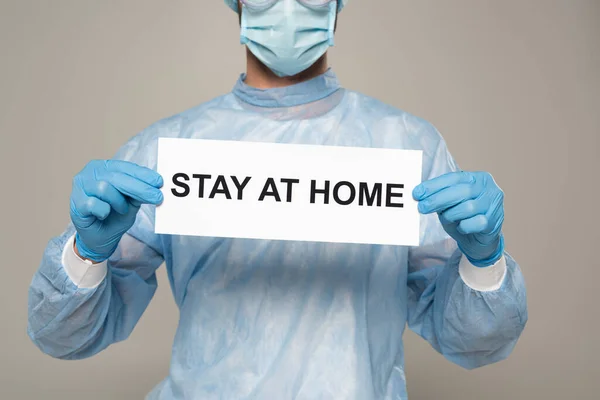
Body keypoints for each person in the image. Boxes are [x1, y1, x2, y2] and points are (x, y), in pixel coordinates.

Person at [27, 1, 528, 399]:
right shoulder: (170, 153)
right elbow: (63, 337)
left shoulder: (405, 147)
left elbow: (474, 341)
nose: (288, 7)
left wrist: (482, 262)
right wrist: (86, 254)